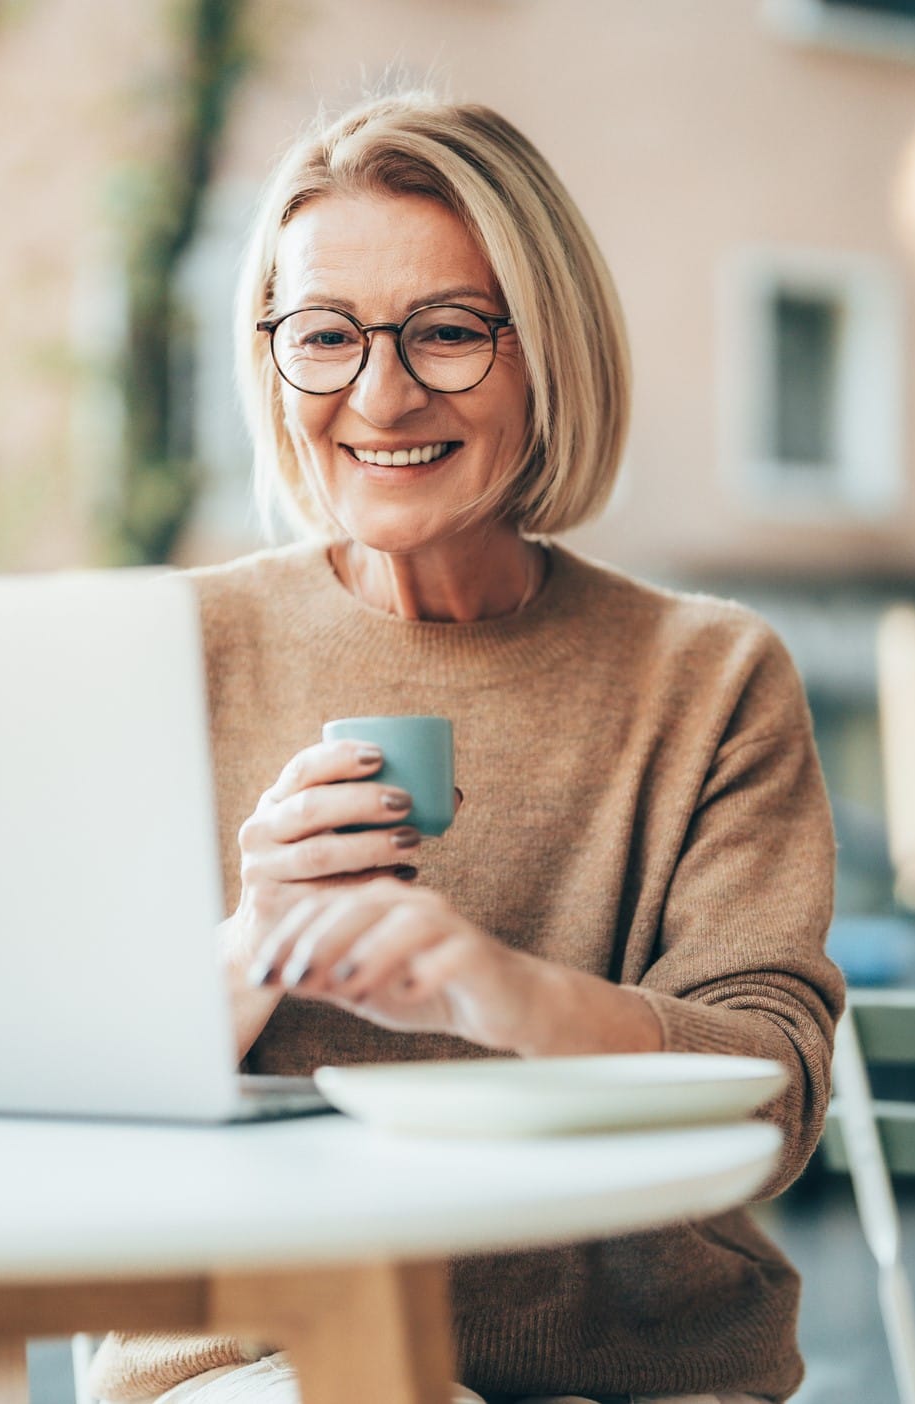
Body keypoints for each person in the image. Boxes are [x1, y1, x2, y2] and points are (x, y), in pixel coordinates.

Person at [88, 93, 843, 1404]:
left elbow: (771, 1098)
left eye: (445, 332)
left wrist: (507, 997)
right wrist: (254, 943)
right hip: (261, 1363)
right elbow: (65, 1105)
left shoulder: (710, 677)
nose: (380, 397)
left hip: (637, 1375)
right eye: (325, 335)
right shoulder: (173, 650)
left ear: (548, 352)